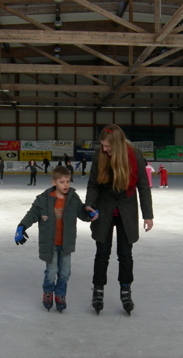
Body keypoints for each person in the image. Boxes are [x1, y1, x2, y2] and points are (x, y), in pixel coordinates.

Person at [85, 124, 154, 315]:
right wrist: (89, 204)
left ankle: (126, 290)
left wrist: (147, 215)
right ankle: (98, 290)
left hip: (127, 211)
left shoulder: (135, 156)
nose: (104, 149)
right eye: (103, 146)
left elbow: (143, 187)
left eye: (108, 146)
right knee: (102, 253)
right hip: (104, 210)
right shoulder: (100, 156)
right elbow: (93, 184)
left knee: (125, 254)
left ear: (118, 144)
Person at [14, 166, 98, 312]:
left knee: (65, 272)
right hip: (50, 243)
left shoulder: (73, 198)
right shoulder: (43, 199)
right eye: (62, 182)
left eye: (67, 181)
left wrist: (90, 214)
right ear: (54, 182)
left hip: (66, 243)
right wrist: (22, 226)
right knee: (51, 271)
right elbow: (32, 214)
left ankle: (60, 294)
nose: (65, 185)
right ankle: (48, 292)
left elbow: (82, 213)